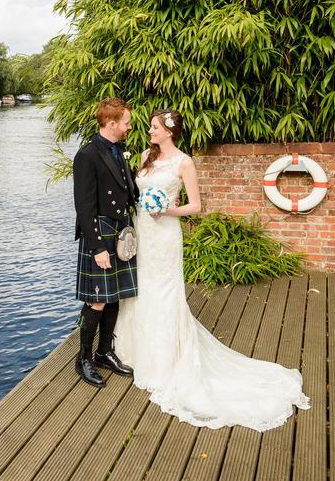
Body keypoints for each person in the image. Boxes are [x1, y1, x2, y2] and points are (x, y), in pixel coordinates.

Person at [113, 109, 310, 431]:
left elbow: (196, 205)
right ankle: (135, 352)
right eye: (150, 127)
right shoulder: (147, 156)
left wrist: (167, 209)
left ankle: (166, 362)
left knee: (164, 291)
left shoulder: (184, 163)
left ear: (169, 132)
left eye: (154, 127)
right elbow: (137, 192)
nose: (149, 131)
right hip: (143, 230)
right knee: (142, 288)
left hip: (165, 233)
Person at [72, 98, 140, 387]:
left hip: (120, 230)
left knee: (114, 296)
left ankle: (104, 352)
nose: (129, 127)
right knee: (97, 300)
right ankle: (84, 358)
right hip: (100, 231)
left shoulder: (118, 151)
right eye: (126, 122)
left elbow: (128, 191)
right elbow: (84, 207)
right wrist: (98, 247)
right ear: (112, 123)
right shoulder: (87, 155)